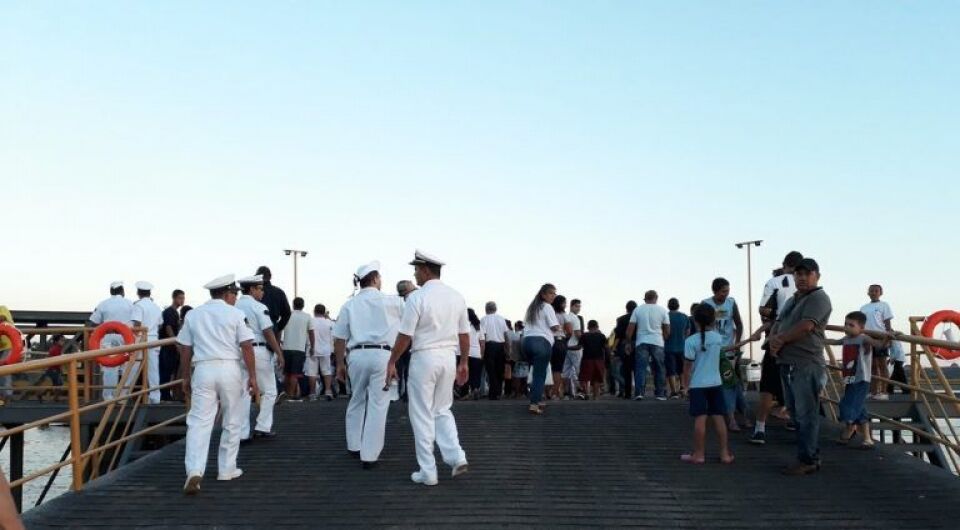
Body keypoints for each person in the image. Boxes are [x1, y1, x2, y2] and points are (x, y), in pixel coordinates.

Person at [385, 250, 470, 486]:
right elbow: (464, 334)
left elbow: (405, 336)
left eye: (416, 270)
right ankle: (456, 456)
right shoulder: (457, 296)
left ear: (424, 270)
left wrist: (392, 361)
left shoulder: (417, 298)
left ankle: (428, 471)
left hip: (424, 357)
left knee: (421, 413)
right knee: (442, 409)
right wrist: (463, 361)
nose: (415, 274)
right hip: (448, 357)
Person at [178, 274, 258, 495]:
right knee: (233, 418)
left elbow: (185, 348)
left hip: (203, 368)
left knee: (199, 422)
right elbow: (247, 346)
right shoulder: (235, 314)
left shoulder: (193, 315)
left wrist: (185, 377)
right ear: (227, 293)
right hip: (229, 368)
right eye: (234, 294)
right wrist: (252, 376)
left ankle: (194, 469)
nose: (235, 298)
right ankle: (226, 469)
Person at [753, 258, 832, 475]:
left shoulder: (819, 298)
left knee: (806, 414)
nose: (802, 278)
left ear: (817, 275)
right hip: (787, 362)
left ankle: (808, 459)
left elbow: (807, 326)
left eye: (807, 274)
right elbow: (779, 321)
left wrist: (780, 340)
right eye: (798, 274)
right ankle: (808, 455)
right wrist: (774, 339)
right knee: (795, 413)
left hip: (806, 362)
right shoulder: (793, 299)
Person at [334, 261, 405, 468]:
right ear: (375, 279)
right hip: (383, 355)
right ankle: (369, 455)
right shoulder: (393, 302)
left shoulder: (349, 305)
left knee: (356, 399)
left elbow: (339, 338)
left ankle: (354, 445)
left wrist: (339, 364)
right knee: (378, 404)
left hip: (356, 355)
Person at [681, 304, 747, 465]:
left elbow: (687, 369)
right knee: (719, 418)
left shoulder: (690, 341)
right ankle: (724, 454)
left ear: (695, 321)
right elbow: (726, 349)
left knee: (700, 419)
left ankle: (698, 454)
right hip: (716, 384)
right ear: (713, 320)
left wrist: (685, 387)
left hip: (698, 385)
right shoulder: (717, 338)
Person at [751, 251, 802, 445]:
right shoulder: (807, 285)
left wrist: (769, 322)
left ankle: (760, 428)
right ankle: (794, 421)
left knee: (768, 385)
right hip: (800, 339)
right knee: (797, 383)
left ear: (784, 264)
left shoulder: (775, 282)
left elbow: (764, 309)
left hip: (777, 336)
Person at [825, 311, 888, 449]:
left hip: (861, 379)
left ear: (861, 327)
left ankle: (850, 428)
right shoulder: (846, 339)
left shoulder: (863, 339)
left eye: (851, 325)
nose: (846, 327)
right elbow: (834, 342)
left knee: (846, 405)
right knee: (859, 407)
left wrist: (888, 338)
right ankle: (867, 438)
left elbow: (879, 345)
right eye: (845, 324)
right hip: (849, 378)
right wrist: (819, 338)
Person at [235, 275, 284, 440]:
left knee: (243, 392)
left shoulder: (234, 306)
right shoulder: (258, 307)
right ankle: (262, 426)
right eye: (260, 288)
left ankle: (242, 433)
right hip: (258, 350)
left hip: (239, 352)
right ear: (252, 289)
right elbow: (268, 331)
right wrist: (279, 352)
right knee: (269, 391)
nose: (262, 292)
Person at [701, 278, 746, 429]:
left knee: (730, 383)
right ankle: (736, 415)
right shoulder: (706, 304)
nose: (726, 294)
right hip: (712, 348)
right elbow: (701, 326)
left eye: (727, 290)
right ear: (715, 291)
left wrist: (736, 344)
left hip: (728, 349)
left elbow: (738, 324)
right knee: (726, 383)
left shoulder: (731, 303)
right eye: (723, 291)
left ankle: (734, 416)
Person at [88, 282, 134, 400]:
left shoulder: (103, 304)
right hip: (126, 339)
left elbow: (93, 322)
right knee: (127, 366)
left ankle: (109, 396)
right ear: (122, 291)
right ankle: (124, 396)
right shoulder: (130, 304)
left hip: (108, 337)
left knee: (110, 367)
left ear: (111, 292)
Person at [521, 284, 561, 414]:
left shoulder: (532, 308)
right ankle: (534, 404)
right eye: (551, 293)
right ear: (543, 294)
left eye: (554, 293)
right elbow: (554, 327)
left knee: (535, 372)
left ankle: (536, 399)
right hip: (541, 342)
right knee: (540, 374)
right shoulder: (547, 306)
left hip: (526, 342)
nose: (553, 296)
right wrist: (562, 331)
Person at [626, 291, 670, 400]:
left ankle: (639, 393)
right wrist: (663, 339)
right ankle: (660, 393)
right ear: (656, 298)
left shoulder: (638, 310)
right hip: (657, 341)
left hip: (641, 341)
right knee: (660, 368)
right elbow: (667, 330)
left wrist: (628, 343)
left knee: (640, 368)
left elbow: (630, 329)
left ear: (645, 298)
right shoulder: (663, 310)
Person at [131, 281, 164, 404]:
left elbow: (137, 324)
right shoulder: (156, 306)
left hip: (141, 340)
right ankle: (155, 398)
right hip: (153, 340)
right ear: (149, 293)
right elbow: (160, 324)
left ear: (138, 293)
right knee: (153, 370)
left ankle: (123, 395)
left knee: (132, 368)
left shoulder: (138, 306)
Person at [862, 284, 894, 400]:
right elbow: (861, 323)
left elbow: (887, 322)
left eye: (876, 291)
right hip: (868, 337)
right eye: (871, 291)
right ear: (868, 293)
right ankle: (874, 391)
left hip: (881, 336)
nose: (874, 293)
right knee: (872, 366)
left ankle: (884, 391)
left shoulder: (884, 305)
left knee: (882, 364)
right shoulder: (863, 307)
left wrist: (888, 337)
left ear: (880, 293)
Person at [281, 297, 315, 399]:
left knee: (286, 373)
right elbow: (311, 333)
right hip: (299, 348)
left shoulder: (287, 315)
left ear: (293, 304)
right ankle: (291, 395)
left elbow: (279, 329)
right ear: (303, 305)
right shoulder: (307, 317)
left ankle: (286, 393)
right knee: (294, 374)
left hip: (286, 347)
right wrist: (312, 346)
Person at [480, 301, 510, 400]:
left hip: (489, 346)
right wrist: (508, 348)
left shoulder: (484, 319)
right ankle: (497, 392)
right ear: (495, 309)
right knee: (499, 370)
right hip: (500, 346)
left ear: (486, 309)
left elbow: (483, 336)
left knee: (491, 370)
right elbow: (506, 335)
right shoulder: (501, 319)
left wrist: (482, 351)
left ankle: (493, 393)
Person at [160, 289, 185, 401]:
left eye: (183, 298)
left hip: (171, 347)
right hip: (168, 347)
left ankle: (167, 394)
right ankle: (164, 395)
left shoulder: (175, 312)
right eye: (180, 298)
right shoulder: (170, 312)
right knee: (166, 371)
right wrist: (175, 343)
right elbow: (168, 327)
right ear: (174, 298)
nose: (182, 300)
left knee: (171, 371)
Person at [395, 280, 418, 400]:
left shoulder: (396, 302)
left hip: (397, 340)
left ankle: (396, 392)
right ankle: (408, 394)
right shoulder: (416, 299)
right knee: (410, 369)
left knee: (398, 368)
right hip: (410, 340)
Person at [664, 298, 690, 399]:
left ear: (668, 306)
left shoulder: (666, 316)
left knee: (671, 370)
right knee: (681, 369)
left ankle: (674, 392)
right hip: (682, 347)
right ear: (678, 305)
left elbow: (665, 332)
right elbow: (687, 332)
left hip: (668, 347)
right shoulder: (684, 316)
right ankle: (682, 388)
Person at [255, 266, 292, 335]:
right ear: (270, 277)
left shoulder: (254, 292)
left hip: (257, 328)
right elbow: (287, 313)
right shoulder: (279, 292)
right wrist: (277, 328)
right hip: (272, 326)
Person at [309, 304, 335, 401]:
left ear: (314, 311)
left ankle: (312, 394)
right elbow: (333, 337)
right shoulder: (330, 323)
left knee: (312, 372)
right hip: (326, 350)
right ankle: (328, 391)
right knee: (327, 371)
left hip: (312, 349)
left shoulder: (310, 321)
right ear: (324, 312)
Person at [549, 295, 573, 400]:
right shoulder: (564, 315)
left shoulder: (549, 313)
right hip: (559, 341)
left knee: (546, 367)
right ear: (560, 303)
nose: (566, 305)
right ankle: (555, 393)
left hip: (547, 341)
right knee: (557, 369)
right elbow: (570, 331)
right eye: (564, 302)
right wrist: (565, 340)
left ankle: (544, 392)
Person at [613, 301, 637, 399]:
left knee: (626, 370)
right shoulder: (639, 319)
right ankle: (639, 392)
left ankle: (627, 393)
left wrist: (615, 348)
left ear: (626, 308)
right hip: (637, 343)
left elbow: (617, 335)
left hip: (624, 344)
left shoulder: (621, 319)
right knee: (638, 369)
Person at [579, 320, 607, 400]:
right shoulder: (601, 336)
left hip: (587, 359)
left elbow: (579, 347)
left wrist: (568, 348)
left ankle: (586, 393)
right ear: (597, 326)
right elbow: (606, 347)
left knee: (584, 377)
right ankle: (595, 396)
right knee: (596, 378)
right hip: (599, 359)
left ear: (588, 327)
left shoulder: (584, 336)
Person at [562, 299, 584, 399]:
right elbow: (578, 333)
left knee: (566, 371)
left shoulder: (565, 317)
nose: (578, 309)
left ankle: (566, 393)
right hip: (575, 348)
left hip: (565, 347)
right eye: (577, 306)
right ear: (571, 306)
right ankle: (581, 391)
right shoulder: (575, 318)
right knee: (579, 370)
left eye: (579, 306)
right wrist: (584, 343)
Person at [463, 308, 485, 400]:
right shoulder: (479, 326)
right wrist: (482, 354)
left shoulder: (463, 325)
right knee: (476, 374)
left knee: (465, 374)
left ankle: (465, 394)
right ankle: (475, 389)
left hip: (465, 353)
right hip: (476, 354)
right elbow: (482, 342)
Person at [508, 321, 527, 398]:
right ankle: (523, 392)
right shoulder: (525, 335)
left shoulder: (514, 335)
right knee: (525, 376)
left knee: (516, 376)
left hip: (515, 358)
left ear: (516, 327)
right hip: (525, 358)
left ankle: (516, 392)